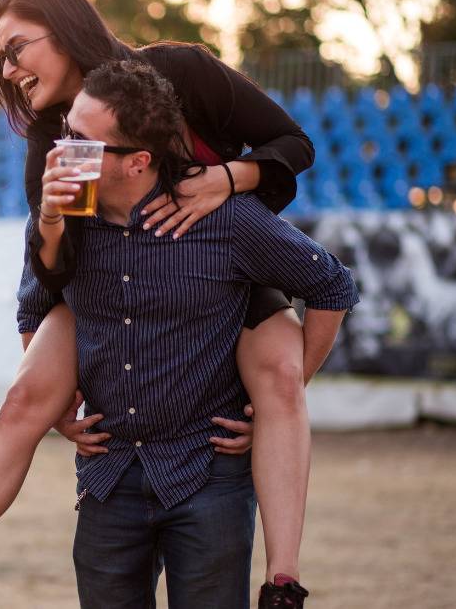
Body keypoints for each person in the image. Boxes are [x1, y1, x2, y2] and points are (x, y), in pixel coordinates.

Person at [0, 0, 317, 606]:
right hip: (110, 284)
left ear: (63, 31)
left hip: (218, 266)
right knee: (23, 399)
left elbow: (294, 146)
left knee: (280, 377)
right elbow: (52, 273)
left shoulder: (180, 70)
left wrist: (224, 180)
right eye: (0, 63)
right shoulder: (47, 138)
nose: (8, 73)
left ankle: (283, 582)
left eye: (15, 51)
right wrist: (52, 366)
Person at [35, 59, 356, 608]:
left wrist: (281, 396)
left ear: (138, 160)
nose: (63, 149)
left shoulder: (225, 218)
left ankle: (285, 580)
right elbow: (34, 301)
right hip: (109, 474)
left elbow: (333, 285)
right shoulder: (61, 210)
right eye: (66, 131)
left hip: (209, 475)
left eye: (82, 140)